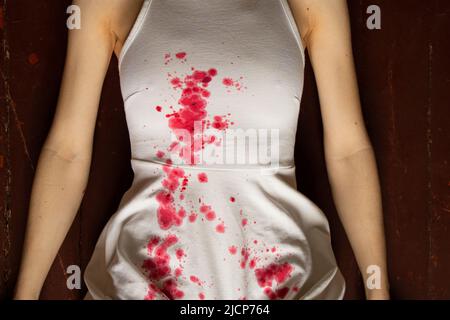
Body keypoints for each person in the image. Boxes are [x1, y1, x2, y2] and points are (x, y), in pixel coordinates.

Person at [14, 0, 390, 300]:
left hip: (286, 279)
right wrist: (25, 295)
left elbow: (348, 149)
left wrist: (378, 291)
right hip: (146, 279)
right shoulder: (107, 4)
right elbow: (67, 151)